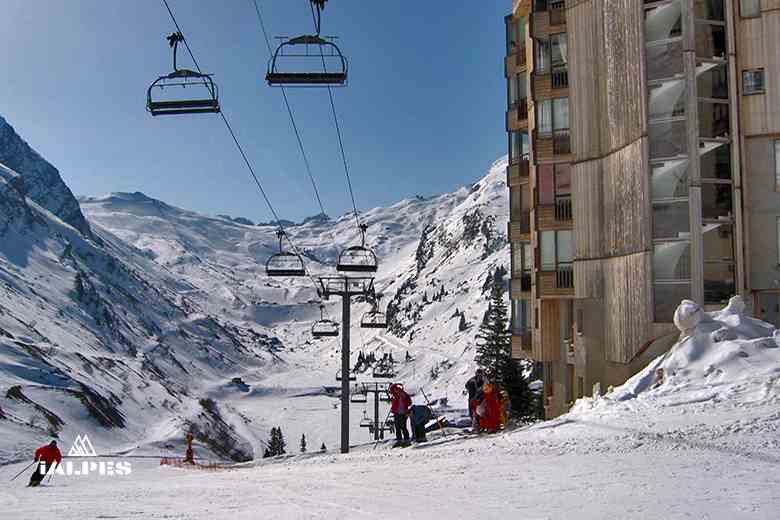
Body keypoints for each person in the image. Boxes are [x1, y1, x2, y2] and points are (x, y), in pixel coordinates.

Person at [465, 369, 485, 433]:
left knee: (479, 412)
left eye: (481, 374)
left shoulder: (481, 380)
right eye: (479, 374)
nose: (480, 376)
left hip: (479, 399)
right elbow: (470, 388)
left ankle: (480, 426)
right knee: (473, 413)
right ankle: (476, 427)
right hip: (473, 399)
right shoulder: (472, 381)